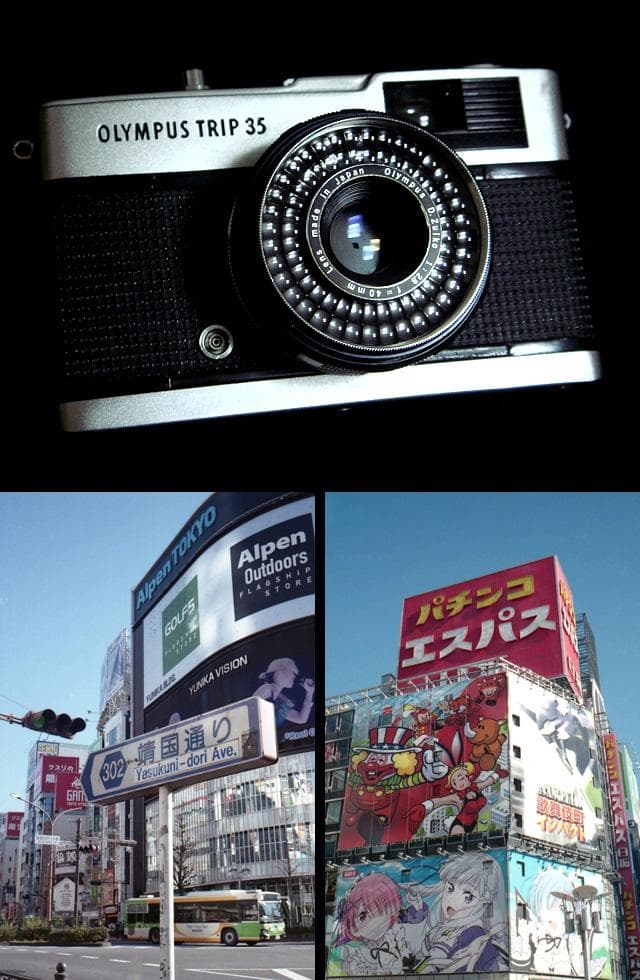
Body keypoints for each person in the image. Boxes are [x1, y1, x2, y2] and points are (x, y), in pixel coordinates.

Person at [416, 853, 508, 973]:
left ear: (483, 902)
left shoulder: (474, 933)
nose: (454, 899)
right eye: (450, 889)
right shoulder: (440, 929)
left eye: (468, 896)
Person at [253, 657, 314, 726]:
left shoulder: (277, 701)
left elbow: (301, 719)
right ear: (279, 672)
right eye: (293, 672)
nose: (294, 676)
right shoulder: (267, 689)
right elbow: (251, 712)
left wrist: (309, 693)